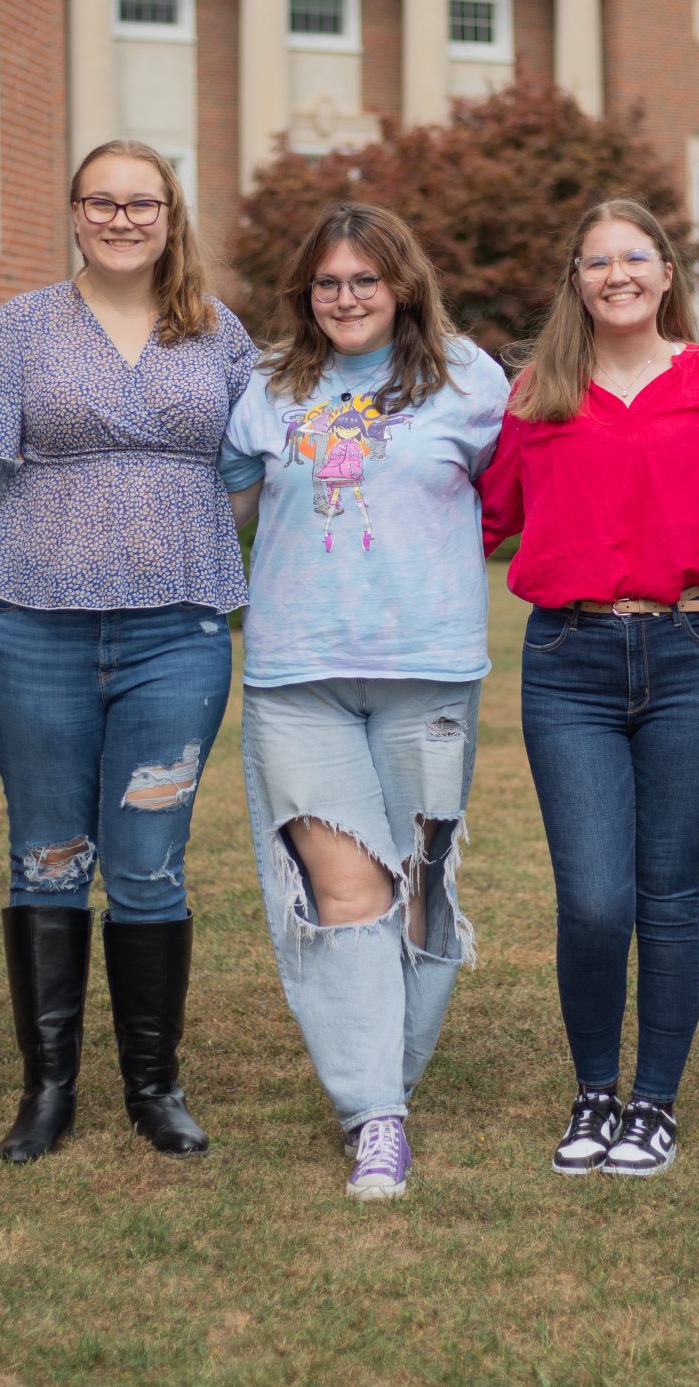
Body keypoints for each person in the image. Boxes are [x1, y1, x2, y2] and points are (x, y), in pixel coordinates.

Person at [0, 139, 258, 1161]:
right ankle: (48, 1091)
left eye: (143, 203)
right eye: (102, 202)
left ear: (172, 215)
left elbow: (263, 464)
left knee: (148, 864)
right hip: (37, 628)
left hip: (177, 631)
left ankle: (153, 1086)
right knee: (47, 856)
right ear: (74, 213)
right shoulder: (18, 329)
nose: (122, 219)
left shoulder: (217, 335)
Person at [220, 202, 509, 1200]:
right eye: (327, 283)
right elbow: (220, 507)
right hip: (297, 680)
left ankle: (388, 1074)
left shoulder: (471, 382)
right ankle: (375, 1117)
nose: (346, 298)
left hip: (427, 675)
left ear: (402, 286)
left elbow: (504, 494)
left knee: (422, 888)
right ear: (307, 295)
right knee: (345, 896)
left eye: (365, 280)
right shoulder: (263, 389)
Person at [480, 198, 699, 1179]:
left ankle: (654, 1104)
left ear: (666, 273)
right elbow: (478, 514)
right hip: (570, 665)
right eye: (597, 261)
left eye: (635, 256)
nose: (618, 274)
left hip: (689, 658)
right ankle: (595, 1091)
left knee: (671, 896)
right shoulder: (537, 392)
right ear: (577, 281)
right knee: (594, 899)